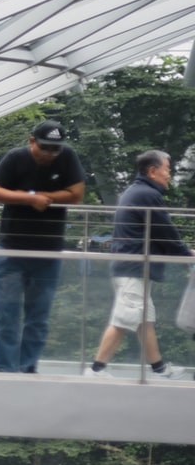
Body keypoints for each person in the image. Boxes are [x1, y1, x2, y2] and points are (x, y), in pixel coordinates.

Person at [0, 118, 83, 373]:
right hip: (12, 250)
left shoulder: (67, 156)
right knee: (7, 316)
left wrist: (45, 198)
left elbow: (77, 194)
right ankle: (5, 370)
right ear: (31, 141)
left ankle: (27, 368)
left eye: (55, 149)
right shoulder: (16, 157)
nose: (50, 154)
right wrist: (29, 198)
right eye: (45, 147)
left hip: (48, 252)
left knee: (38, 318)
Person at [85, 150, 190, 379]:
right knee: (124, 320)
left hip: (130, 266)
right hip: (133, 268)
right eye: (167, 169)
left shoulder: (136, 192)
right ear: (152, 171)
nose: (169, 175)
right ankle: (96, 370)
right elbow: (166, 233)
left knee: (144, 320)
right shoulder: (146, 195)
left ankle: (160, 369)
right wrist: (187, 255)